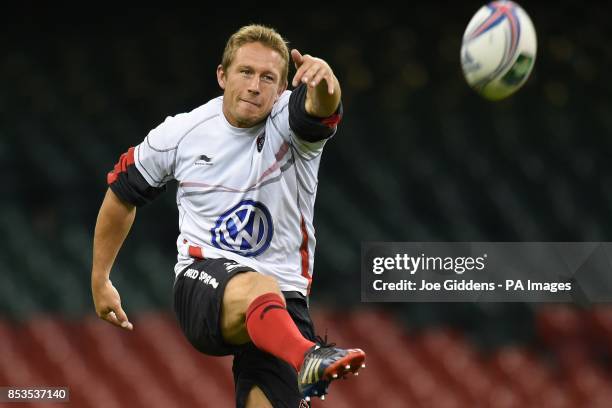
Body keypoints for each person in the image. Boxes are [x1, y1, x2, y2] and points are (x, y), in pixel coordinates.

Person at [91, 24, 366, 407]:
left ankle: (299, 354)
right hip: (202, 284)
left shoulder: (291, 125)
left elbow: (320, 108)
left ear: (284, 87)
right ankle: (308, 357)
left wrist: (325, 82)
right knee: (259, 286)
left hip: (284, 306)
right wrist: (100, 277)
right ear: (223, 76)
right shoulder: (181, 133)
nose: (255, 85)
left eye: (268, 77)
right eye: (246, 72)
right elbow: (122, 193)